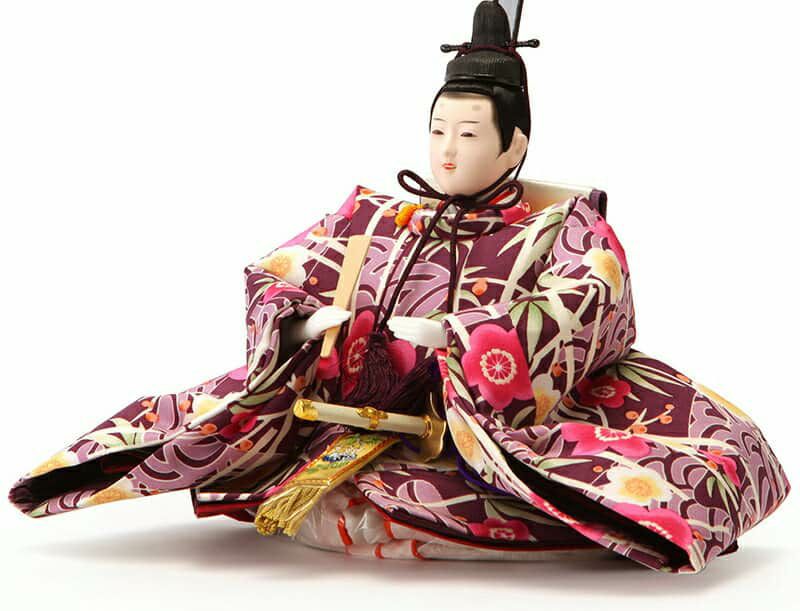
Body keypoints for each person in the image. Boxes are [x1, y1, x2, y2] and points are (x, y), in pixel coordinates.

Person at [8, 1, 789, 573]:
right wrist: (302, 323)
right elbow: (283, 270)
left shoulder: (562, 225)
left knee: (677, 463)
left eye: (469, 134)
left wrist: (469, 340)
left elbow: (591, 301)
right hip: (356, 413)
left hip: (479, 431)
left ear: (514, 145)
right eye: (438, 130)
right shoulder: (381, 213)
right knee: (273, 453)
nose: (447, 151)